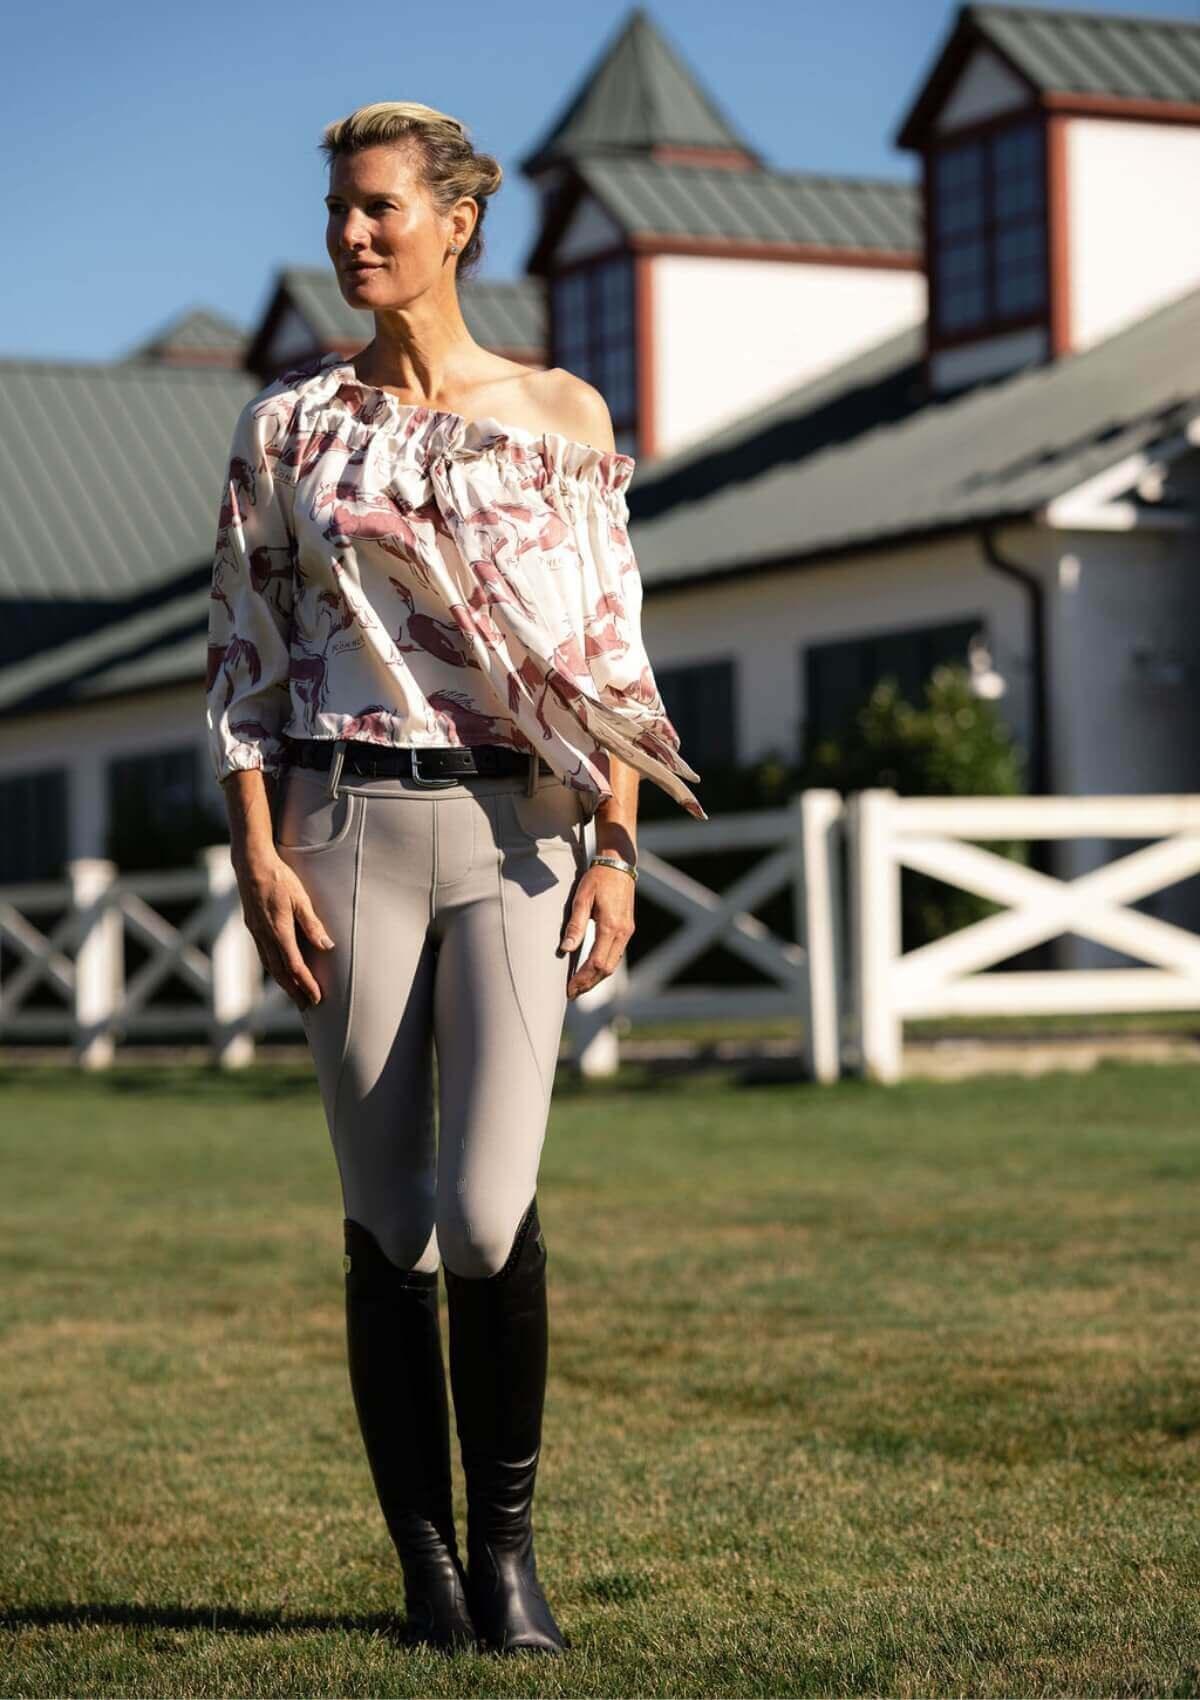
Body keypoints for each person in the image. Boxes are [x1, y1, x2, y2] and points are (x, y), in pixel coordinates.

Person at [205, 100, 706, 1657]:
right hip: (348, 828)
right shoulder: (288, 427)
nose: (353, 236)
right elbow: (244, 654)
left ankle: (510, 1555)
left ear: (456, 221)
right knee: (388, 1219)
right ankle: (431, 1573)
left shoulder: (563, 414)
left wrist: (616, 846)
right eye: (341, 211)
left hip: (522, 835)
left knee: (489, 1216)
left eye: (380, 210)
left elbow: (608, 653)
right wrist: (257, 849)